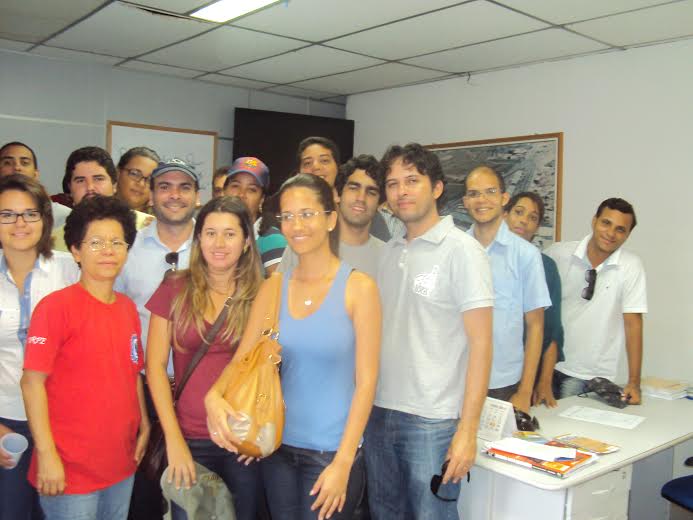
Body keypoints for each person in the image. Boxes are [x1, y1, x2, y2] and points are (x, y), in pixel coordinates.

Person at [206, 174, 381, 520]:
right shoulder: (273, 287)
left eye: (307, 214)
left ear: (330, 219)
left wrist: (344, 462)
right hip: (278, 449)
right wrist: (214, 396)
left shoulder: (359, 288)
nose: (296, 225)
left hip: (330, 453)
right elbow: (242, 359)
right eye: (287, 216)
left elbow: (366, 382)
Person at [365, 143, 493, 519]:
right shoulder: (388, 253)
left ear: (436, 188)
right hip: (380, 412)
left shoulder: (463, 251)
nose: (401, 191)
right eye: (392, 184)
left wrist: (467, 431)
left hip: (433, 421)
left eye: (412, 180)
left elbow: (482, 344)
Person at [20, 196, 150, 520]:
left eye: (117, 242)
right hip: (69, 470)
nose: (108, 250)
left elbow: (132, 372)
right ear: (76, 251)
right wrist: (46, 454)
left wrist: (145, 424)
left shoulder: (127, 309)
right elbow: (32, 383)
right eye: (96, 242)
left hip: (121, 462)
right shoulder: (55, 308)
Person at [145, 196, 264, 520]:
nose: (219, 243)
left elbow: (267, 368)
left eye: (230, 234)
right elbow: (155, 367)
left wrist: (259, 433)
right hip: (188, 438)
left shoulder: (261, 295)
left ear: (246, 242)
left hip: (241, 442)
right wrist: (174, 441)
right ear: (199, 238)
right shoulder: (174, 286)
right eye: (211, 233)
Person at [115, 158, 200, 520]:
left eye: (184, 187)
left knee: (196, 499)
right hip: (142, 392)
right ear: (150, 196)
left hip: (200, 392)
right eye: (165, 187)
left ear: (197, 196)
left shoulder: (214, 244)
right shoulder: (127, 249)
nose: (174, 195)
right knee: (144, 499)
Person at [0, 175, 79, 520]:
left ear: (45, 219)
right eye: (7, 214)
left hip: (64, 420)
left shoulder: (69, 269)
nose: (20, 223)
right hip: (7, 423)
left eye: (30, 214)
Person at [462, 166, 550, 413]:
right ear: (465, 202)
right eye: (474, 193)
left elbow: (536, 326)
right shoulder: (455, 250)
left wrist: (525, 391)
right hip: (457, 379)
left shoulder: (526, 255)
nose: (482, 199)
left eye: (490, 192)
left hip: (503, 384)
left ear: (504, 198)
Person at [545, 198, 647, 403]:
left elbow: (633, 323)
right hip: (546, 367)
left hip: (590, 376)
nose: (611, 233)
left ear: (627, 235)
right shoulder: (558, 254)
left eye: (620, 229)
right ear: (594, 221)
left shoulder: (631, 266)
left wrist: (634, 382)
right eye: (606, 223)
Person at [504, 192, 565, 407]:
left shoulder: (545, 267)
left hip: (524, 376)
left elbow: (551, 329)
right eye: (519, 212)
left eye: (533, 217)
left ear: (537, 227)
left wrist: (544, 382)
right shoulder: (481, 256)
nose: (524, 221)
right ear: (504, 215)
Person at [278, 154, 384, 277]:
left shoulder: (387, 255)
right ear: (337, 195)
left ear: (379, 203)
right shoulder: (305, 243)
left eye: (371, 192)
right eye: (353, 188)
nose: (361, 198)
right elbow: (277, 287)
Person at [52, 146, 152, 251]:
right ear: (70, 189)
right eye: (80, 181)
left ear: (114, 185)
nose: (90, 187)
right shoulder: (54, 242)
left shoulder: (147, 228)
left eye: (98, 179)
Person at [223, 156, 287, 274]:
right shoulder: (212, 232)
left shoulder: (271, 239)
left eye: (251, 189)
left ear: (262, 199)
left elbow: (281, 284)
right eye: (235, 186)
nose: (241, 195)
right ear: (224, 191)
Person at [0, 141, 71, 229]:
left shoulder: (64, 217)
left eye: (24, 163)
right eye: (7, 163)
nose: (17, 167)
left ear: (35, 174)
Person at [115, 147, 160, 213]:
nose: (141, 184)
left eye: (149, 180)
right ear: (118, 173)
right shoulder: (100, 210)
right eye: (135, 174)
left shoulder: (161, 218)